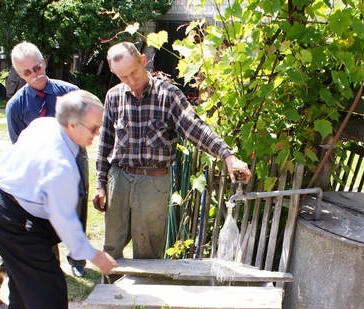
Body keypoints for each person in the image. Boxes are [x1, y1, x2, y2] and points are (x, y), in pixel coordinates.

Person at [0, 90, 117, 309]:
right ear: (71, 125)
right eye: (93, 129)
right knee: (48, 284)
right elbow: (65, 222)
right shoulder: (61, 166)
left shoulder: (44, 125)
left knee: (24, 276)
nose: (96, 135)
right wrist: (94, 256)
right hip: (16, 220)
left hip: (1, 206)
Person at [93, 41, 252, 262]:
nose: (130, 81)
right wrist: (101, 184)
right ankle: (110, 293)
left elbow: (196, 128)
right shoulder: (114, 96)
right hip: (118, 179)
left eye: (133, 73)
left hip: (153, 183)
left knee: (148, 251)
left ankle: (145, 296)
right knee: (111, 246)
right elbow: (105, 143)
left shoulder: (168, 95)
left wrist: (227, 155)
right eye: (122, 77)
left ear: (143, 61)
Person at [5, 41, 87, 278]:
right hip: (41, 171)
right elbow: (18, 146)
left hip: (73, 163)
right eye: (27, 72)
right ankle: (51, 262)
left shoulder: (70, 92)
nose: (34, 75)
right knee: (43, 216)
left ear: (43, 63)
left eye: (37, 67)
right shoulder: (16, 106)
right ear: (20, 74)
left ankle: (78, 258)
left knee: (75, 210)